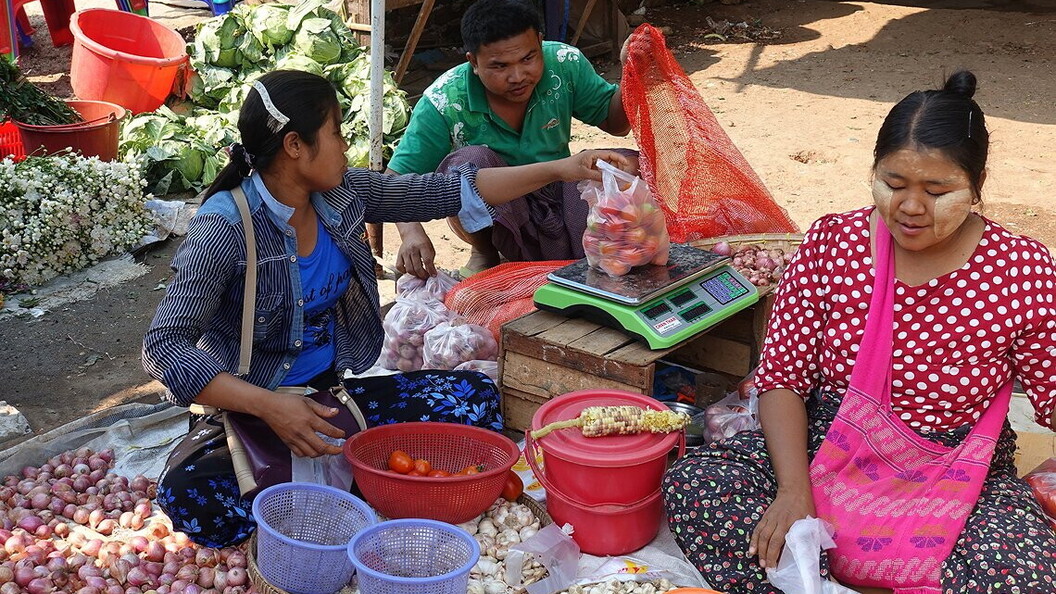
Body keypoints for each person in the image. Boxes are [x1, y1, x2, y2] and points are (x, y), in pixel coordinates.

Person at [142, 70, 630, 548]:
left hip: (335, 405)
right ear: (294, 146)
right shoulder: (225, 228)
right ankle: (350, 483)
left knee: (475, 399)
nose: (344, 147)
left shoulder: (341, 195)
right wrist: (271, 407)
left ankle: (328, 489)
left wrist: (563, 168)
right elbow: (164, 348)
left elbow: (441, 191)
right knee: (188, 497)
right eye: (336, 133)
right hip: (254, 415)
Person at [663, 70, 1056, 593]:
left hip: (960, 472)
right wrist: (793, 491)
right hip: (825, 450)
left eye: (937, 190)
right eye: (893, 184)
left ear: (976, 184)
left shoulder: (1022, 270)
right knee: (697, 483)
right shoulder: (834, 243)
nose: (910, 207)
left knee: (1020, 573)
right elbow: (782, 378)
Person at [385, 0, 635, 279]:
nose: (517, 77)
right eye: (500, 66)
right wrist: (411, 232)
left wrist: (630, 71)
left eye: (528, 59)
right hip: (497, 214)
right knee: (469, 163)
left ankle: (576, 252)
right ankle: (486, 252)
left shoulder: (564, 64)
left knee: (628, 165)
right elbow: (395, 180)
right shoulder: (445, 101)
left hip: (560, 194)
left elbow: (615, 124)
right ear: (473, 62)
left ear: (540, 42)